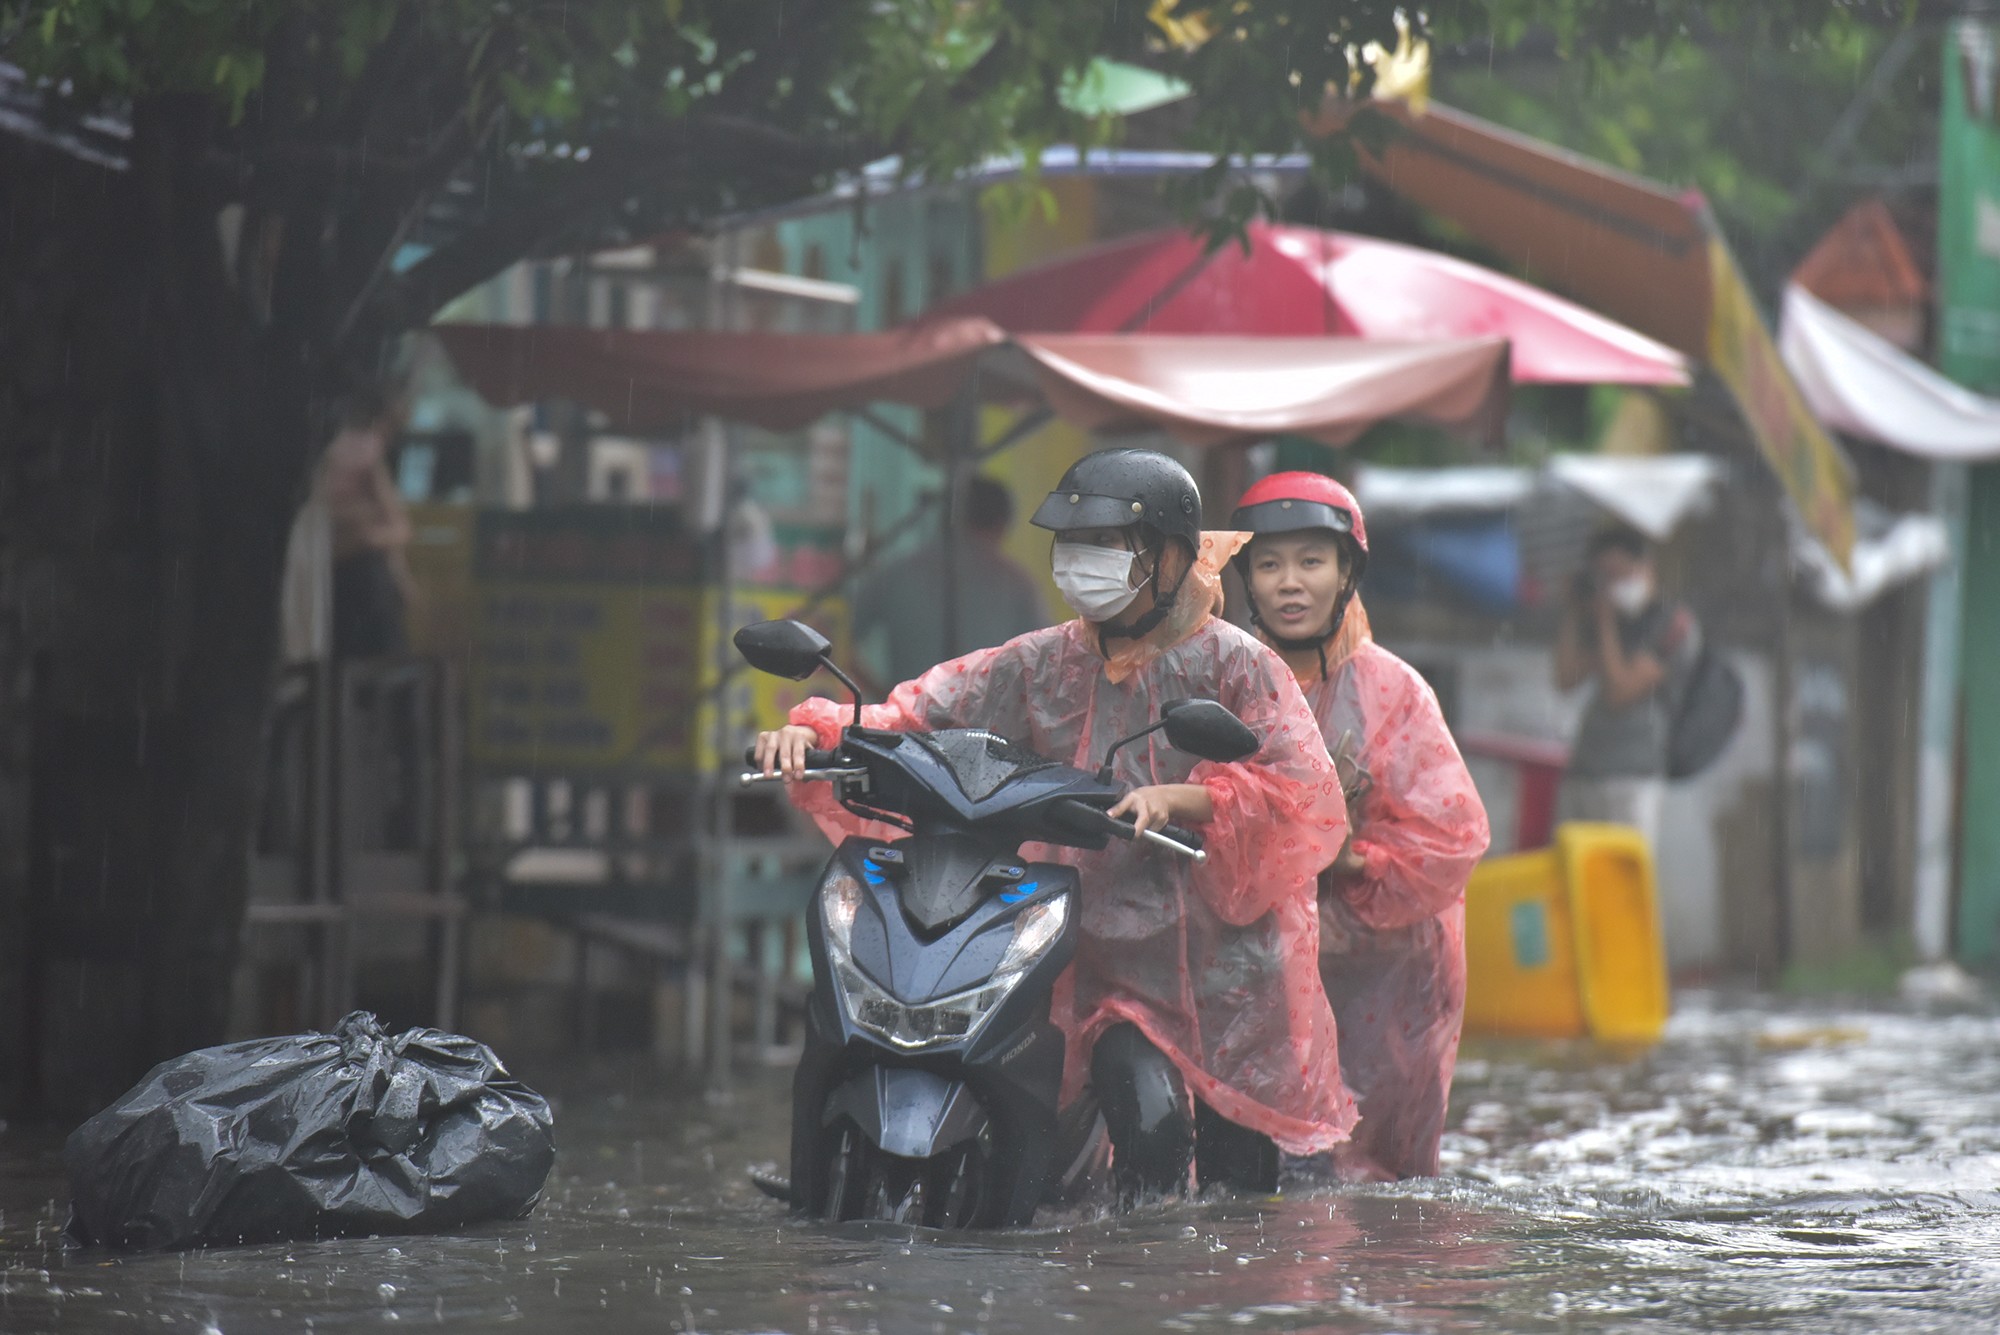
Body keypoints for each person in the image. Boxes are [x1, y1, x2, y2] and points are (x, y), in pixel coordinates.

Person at [759, 448, 1355, 1203]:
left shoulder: (1236, 665)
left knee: (1195, 1158)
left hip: (1215, 972)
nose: (1085, 563)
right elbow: (920, 710)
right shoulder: (1044, 660)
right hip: (1080, 950)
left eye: (1110, 545)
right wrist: (818, 736)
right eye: (1075, 545)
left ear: (1171, 557)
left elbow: (1302, 789)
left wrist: (1184, 798)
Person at [1231, 472, 1491, 1181]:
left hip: (1388, 979)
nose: (1290, 582)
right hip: (1261, 967)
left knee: (1377, 1181)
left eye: (1311, 561)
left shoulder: (1394, 690)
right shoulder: (1224, 680)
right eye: (1270, 563)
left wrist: (1349, 858)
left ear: (1346, 571)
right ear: (1245, 576)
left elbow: (1454, 836)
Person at [1553, 525, 1699, 848]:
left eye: (1618, 573)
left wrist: (1605, 623)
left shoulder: (1671, 624)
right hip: (1586, 769)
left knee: (1622, 880)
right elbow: (1565, 678)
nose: (1611, 585)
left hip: (1632, 775)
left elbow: (1620, 691)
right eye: (1602, 576)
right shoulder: (1607, 617)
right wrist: (1574, 613)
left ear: (1645, 567)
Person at [850, 474, 1049, 687]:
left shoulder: (897, 573)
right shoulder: (1017, 585)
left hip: (908, 714)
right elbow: (1042, 663)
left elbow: (837, 637)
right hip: (986, 718)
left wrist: (880, 696)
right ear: (1001, 525)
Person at [321, 386, 417, 660]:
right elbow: (398, 528)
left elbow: (398, 528)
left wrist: (364, 535)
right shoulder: (363, 453)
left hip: (351, 573)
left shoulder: (361, 455)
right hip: (349, 575)